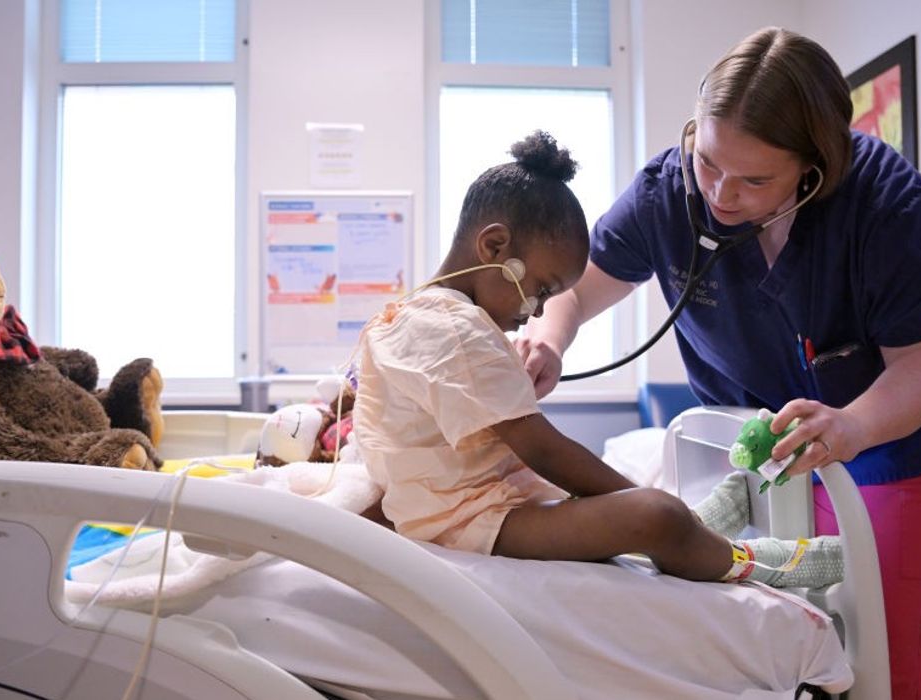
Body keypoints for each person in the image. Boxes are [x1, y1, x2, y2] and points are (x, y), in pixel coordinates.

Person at [518, 28, 921, 700]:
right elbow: (576, 291)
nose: (721, 194)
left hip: (884, 446)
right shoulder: (666, 195)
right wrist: (549, 341)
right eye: (707, 162)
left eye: (755, 178)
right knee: (748, 630)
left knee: (872, 642)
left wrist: (849, 426)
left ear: (815, 166)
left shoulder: (885, 207)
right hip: (750, 447)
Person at [352, 130, 844, 591]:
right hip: (470, 525)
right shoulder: (455, 331)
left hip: (474, 508)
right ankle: (751, 559)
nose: (540, 311)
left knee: (630, 511)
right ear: (495, 246)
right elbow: (544, 450)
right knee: (656, 516)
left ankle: (700, 529)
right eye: (541, 290)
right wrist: (649, 500)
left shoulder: (416, 315)